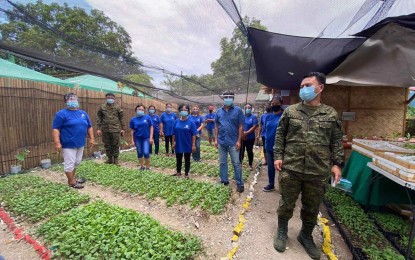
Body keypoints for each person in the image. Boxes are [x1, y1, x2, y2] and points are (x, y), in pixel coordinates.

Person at [273, 72, 344, 259]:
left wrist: (337, 164)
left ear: (320, 88)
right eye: (302, 86)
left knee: (312, 207)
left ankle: (305, 235)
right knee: (286, 202)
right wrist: (278, 156)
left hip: (318, 170)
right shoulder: (291, 112)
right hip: (291, 167)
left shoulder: (330, 114)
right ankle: (282, 231)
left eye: (308, 85)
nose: (303, 89)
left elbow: (336, 140)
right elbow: (280, 135)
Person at [52, 93, 94, 189]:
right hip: (68, 144)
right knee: (70, 163)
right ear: (66, 102)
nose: (72, 101)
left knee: (77, 162)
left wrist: (92, 138)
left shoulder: (83, 113)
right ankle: (71, 182)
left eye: (74, 99)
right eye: (70, 99)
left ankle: (73, 178)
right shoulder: (61, 114)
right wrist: (57, 143)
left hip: (80, 143)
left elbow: (89, 127)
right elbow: (56, 129)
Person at [215, 90, 245, 193]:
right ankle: (224, 180)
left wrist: (239, 141)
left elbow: (241, 126)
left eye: (230, 97)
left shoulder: (238, 111)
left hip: (233, 142)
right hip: (222, 141)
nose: (228, 99)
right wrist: (216, 139)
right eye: (226, 97)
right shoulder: (219, 111)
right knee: (223, 162)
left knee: (236, 163)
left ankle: (240, 183)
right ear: (223, 98)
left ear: (233, 98)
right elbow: (217, 126)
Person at [96, 92, 125, 165]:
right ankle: (109, 159)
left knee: (115, 145)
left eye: (112, 98)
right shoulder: (102, 107)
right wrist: (98, 129)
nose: (110, 99)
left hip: (115, 129)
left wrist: (123, 128)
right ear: (106, 98)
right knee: (107, 145)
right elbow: (99, 118)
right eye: (108, 98)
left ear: (114, 99)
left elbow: (122, 118)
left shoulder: (118, 107)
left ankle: (115, 160)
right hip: (105, 129)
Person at [262, 95, 283, 192]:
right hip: (269, 145)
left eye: (277, 104)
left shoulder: (284, 116)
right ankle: (271, 184)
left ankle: (283, 187)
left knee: (282, 168)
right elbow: (265, 130)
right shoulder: (268, 116)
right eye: (273, 104)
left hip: (281, 147)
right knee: (270, 167)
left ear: (281, 104)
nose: (274, 105)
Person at [172, 104, 197, 179]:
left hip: (187, 144)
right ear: (179, 111)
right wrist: (173, 142)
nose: (184, 111)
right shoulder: (176, 122)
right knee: (178, 158)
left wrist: (193, 145)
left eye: (185, 110)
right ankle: (178, 172)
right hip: (178, 143)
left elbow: (194, 134)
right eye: (182, 110)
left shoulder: (191, 122)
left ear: (188, 112)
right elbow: (173, 133)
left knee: (187, 159)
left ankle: (186, 174)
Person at [130, 104, 154, 170]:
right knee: (140, 152)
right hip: (137, 138)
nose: (141, 111)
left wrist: (151, 137)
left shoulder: (147, 117)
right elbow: (132, 130)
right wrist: (132, 140)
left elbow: (151, 127)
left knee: (146, 152)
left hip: (146, 138)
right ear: (136, 110)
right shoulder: (133, 119)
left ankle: (148, 167)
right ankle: (142, 166)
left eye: (142, 110)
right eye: (139, 109)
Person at [239, 103, 258, 170]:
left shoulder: (253, 117)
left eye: (249, 108)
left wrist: (246, 133)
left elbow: (254, 126)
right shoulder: (242, 116)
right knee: (241, 151)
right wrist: (242, 133)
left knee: (249, 151)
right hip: (242, 137)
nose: (247, 109)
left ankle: (250, 164)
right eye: (246, 108)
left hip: (250, 138)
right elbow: (239, 125)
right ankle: (240, 164)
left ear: (251, 109)